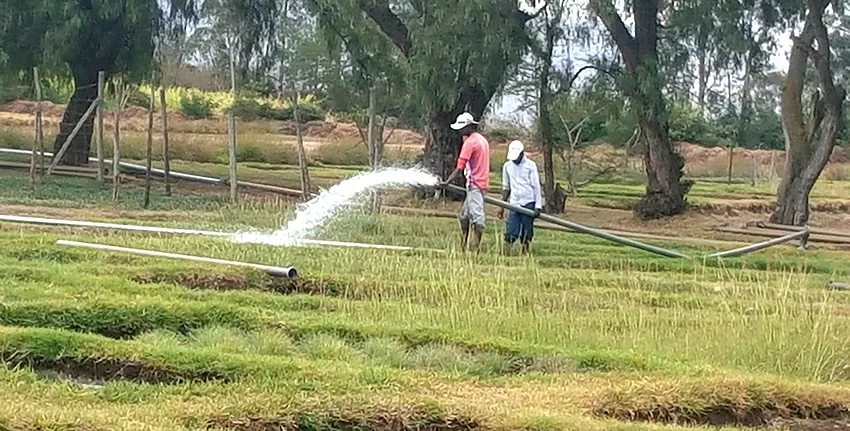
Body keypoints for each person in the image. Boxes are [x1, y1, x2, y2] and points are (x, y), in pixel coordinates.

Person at [437, 112, 491, 253]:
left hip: (475, 184)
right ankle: (463, 245)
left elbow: (460, 167)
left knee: (477, 219)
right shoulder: (482, 140)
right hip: (480, 183)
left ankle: (474, 249)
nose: (460, 131)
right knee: (463, 217)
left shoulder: (470, 143)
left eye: (461, 128)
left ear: (468, 126)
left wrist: (446, 183)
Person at [498, 140, 542, 256]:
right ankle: (506, 252)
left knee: (527, 230)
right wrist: (502, 207)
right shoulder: (507, 166)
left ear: (522, 154)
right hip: (514, 203)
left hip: (528, 202)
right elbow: (506, 187)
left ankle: (525, 252)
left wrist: (538, 206)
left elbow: (536, 186)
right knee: (511, 228)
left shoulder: (530, 166)